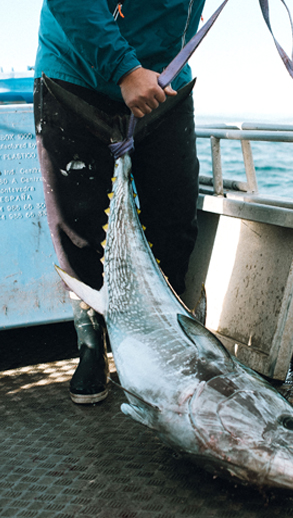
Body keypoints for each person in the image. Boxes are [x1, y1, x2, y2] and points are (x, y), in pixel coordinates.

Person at [33, 0, 206, 404]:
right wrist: (125, 70)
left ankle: (171, 341)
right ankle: (92, 345)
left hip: (165, 82)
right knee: (79, 230)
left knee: (174, 222)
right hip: (76, 74)